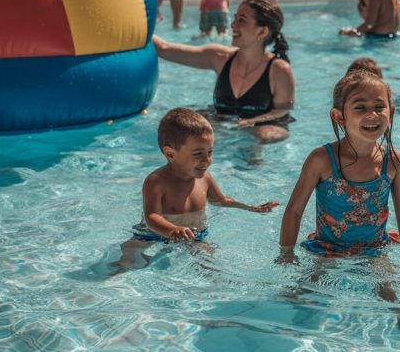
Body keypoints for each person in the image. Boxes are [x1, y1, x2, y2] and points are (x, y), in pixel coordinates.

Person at [278, 70, 400, 332]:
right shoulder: (322, 159)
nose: (372, 114)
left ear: (391, 112)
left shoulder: (393, 160)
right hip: (328, 246)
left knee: (389, 287)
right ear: (339, 117)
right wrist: (286, 252)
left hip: (374, 247)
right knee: (306, 288)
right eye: (360, 107)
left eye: (379, 107)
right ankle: (298, 324)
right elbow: (295, 210)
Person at [111, 108, 278, 273]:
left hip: (194, 235)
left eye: (210, 152)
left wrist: (250, 207)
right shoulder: (156, 181)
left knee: (210, 262)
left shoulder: (205, 178)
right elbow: (152, 217)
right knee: (129, 250)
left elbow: (221, 200)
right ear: (170, 154)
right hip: (152, 234)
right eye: (198, 154)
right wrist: (171, 230)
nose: (207, 160)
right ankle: (119, 274)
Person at [153, 0, 296, 143]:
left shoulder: (279, 70)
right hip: (221, 120)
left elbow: (282, 111)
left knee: (263, 135)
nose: (233, 24)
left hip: (264, 126)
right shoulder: (220, 57)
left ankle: (248, 155)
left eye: (242, 20)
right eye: (235, 18)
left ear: (262, 31)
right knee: (181, 126)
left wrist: (250, 122)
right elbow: (164, 49)